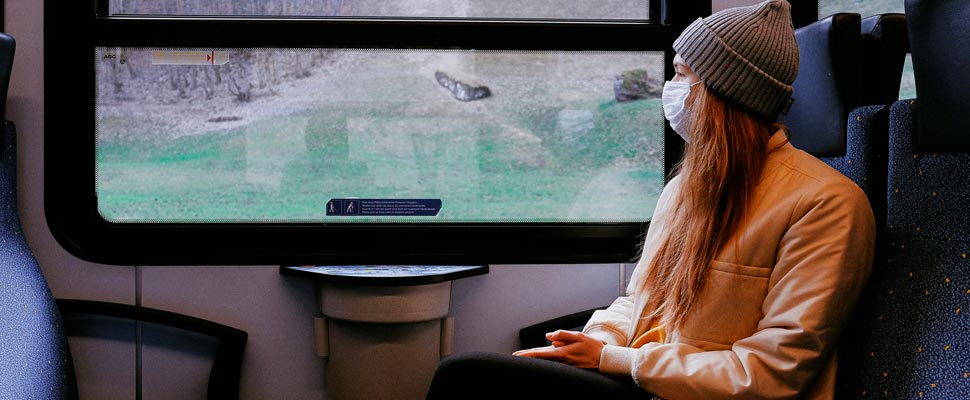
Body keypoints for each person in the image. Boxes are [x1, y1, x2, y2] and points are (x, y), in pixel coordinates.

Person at [426, 0, 875, 399]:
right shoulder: (686, 187)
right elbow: (640, 298)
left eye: (682, 74)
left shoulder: (825, 203)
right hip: (647, 379)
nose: (669, 88)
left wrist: (613, 361)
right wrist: (598, 340)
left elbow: (771, 372)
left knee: (467, 377)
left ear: (723, 94)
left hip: (694, 392)